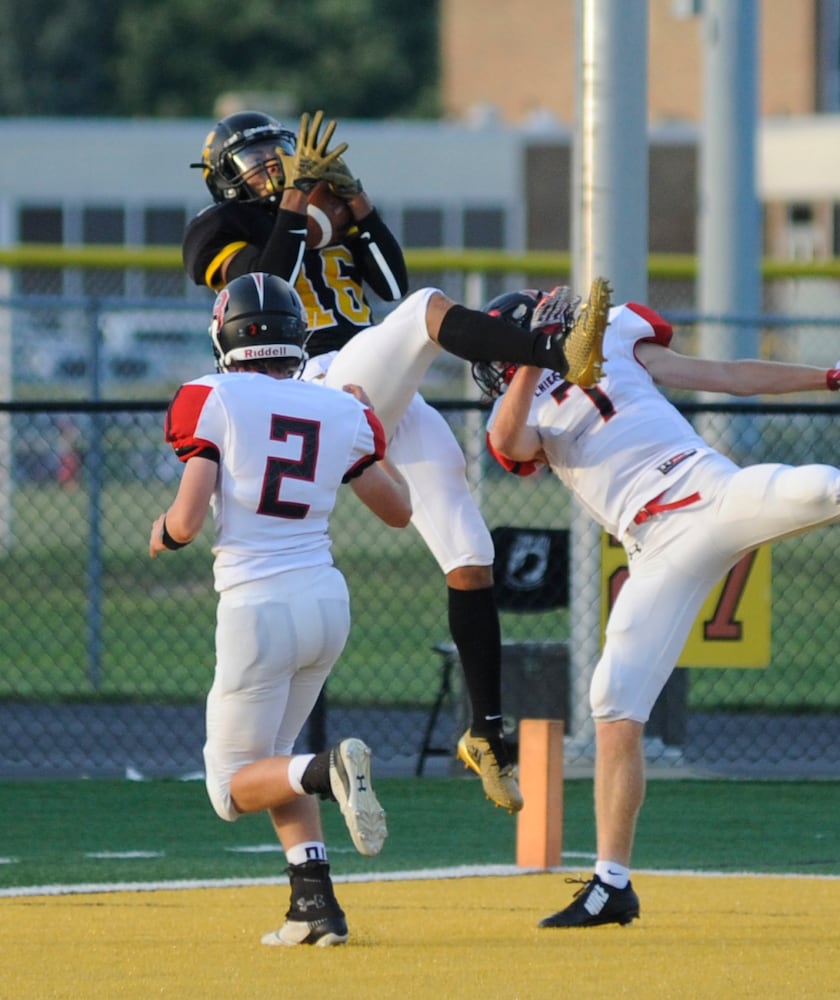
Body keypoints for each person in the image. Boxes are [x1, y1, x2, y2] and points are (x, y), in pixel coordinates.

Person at [477, 284, 840, 929]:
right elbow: (510, 441)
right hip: (654, 547)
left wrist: (828, 379)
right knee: (613, 702)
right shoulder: (517, 400)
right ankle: (613, 883)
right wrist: (535, 357)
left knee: (835, 488)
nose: (488, 362)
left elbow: (726, 376)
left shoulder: (614, 341)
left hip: (713, 492)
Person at [182, 108, 608, 812]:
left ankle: (486, 734)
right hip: (314, 385)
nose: (272, 164)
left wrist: (356, 203)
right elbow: (270, 287)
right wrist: (296, 204)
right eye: (255, 158)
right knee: (422, 312)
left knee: (471, 555)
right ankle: (559, 353)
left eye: (277, 153)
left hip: (375, 384)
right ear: (228, 177)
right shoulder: (216, 230)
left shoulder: (316, 208)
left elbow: (384, 277)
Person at [149, 273, 414, 946]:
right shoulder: (336, 408)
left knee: (234, 787)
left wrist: (165, 533)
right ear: (296, 337)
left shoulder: (210, 396)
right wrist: (369, 429)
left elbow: (186, 517)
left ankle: (329, 771)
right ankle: (315, 907)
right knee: (274, 759)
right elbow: (398, 511)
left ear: (224, 333)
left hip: (257, 606)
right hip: (326, 600)